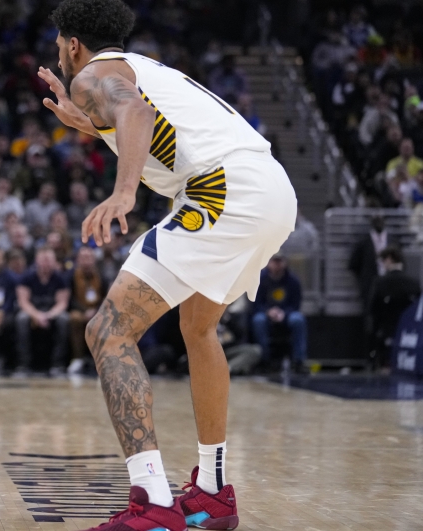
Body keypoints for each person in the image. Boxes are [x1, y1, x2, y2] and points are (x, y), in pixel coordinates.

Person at [39, 0, 297, 528]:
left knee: (108, 331)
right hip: (270, 189)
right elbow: (152, 124)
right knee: (198, 329)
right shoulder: (139, 67)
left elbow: (136, 114)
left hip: (222, 191)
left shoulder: (94, 74)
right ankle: (211, 491)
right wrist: (87, 126)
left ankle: (154, 504)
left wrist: (124, 192)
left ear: (71, 45)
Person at [16, 247, 70, 376]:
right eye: (43, 260)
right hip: (32, 311)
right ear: (37, 261)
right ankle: (23, 364)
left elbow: (62, 303)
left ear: (54, 262)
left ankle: (58, 365)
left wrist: (49, 315)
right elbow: (23, 302)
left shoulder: (60, 278)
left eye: (49, 260)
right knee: (21, 319)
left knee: (64, 319)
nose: (46, 263)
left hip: (52, 312)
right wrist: (37, 315)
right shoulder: (27, 277)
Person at [367, 246, 421, 369]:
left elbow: (373, 310)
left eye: (383, 261)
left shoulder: (380, 282)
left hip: (386, 334)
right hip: (409, 337)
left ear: (389, 259)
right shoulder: (414, 283)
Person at [251, 254, 307, 370]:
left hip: (286, 314)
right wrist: (268, 311)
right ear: (268, 262)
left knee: (298, 319)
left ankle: (299, 360)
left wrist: (284, 313)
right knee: (258, 320)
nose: (277, 265)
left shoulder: (293, 281)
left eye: (279, 261)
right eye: (274, 261)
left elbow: (296, 305)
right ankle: (264, 359)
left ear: (285, 262)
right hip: (266, 314)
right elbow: (255, 304)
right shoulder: (260, 279)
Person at [68, 246, 109, 374]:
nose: (86, 261)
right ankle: (77, 358)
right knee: (75, 319)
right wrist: (85, 311)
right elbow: (69, 299)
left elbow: (106, 298)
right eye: (83, 257)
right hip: (78, 310)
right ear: (78, 260)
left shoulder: (102, 277)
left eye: (89, 257)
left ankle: (100, 359)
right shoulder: (71, 276)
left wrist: (96, 310)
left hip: (97, 311)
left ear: (94, 260)